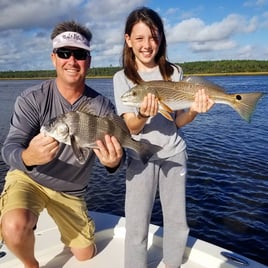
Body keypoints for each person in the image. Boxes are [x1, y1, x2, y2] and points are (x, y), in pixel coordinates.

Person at [0, 20, 123, 268]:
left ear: (88, 60)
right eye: (64, 53)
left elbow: (118, 149)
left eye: (79, 54)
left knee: (85, 254)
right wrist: (28, 157)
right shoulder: (33, 99)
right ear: (53, 58)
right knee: (14, 226)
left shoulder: (103, 107)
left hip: (71, 191)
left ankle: (70, 231)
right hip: (29, 179)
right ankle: (30, 263)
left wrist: (114, 162)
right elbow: (9, 148)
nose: (72, 60)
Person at [113, 7, 214, 268]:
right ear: (128, 40)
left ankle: (173, 264)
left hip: (174, 153)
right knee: (136, 224)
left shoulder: (175, 72)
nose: (148, 45)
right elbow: (131, 129)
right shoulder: (122, 79)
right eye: (140, 38)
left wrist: (194, 109)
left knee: (177, 221)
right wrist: (144, 114)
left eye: (154, 37)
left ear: (161, 38)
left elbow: (178, 122)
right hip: (140, 156)